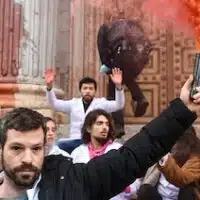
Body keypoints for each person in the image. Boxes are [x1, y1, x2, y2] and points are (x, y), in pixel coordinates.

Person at [0, 76, 199, 199]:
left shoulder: (71, 181)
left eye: (35, 149)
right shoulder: (74, 121)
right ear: (2, 149)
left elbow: (131, 158)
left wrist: (182, 111)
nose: (27, 159)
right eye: (17, 148)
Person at [45, 67, 125, 153]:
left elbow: (119, 104)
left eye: (91, 89)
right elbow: (54, 104)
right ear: (80, 90)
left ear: (95, 91)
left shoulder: (101, 103)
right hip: (75, 140)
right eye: (85, 88)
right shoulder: (73, 103)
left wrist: (118, 86)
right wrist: (49, 87)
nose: (88, 91)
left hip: (94, 141)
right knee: (57, 147)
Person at [71, 109, 141, 199]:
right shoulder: (77, 153)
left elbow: (135, 179)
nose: (104, 127)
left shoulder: (119, 150)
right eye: (99, 123)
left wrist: (127, 188)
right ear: (88, 128)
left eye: (107, 124)